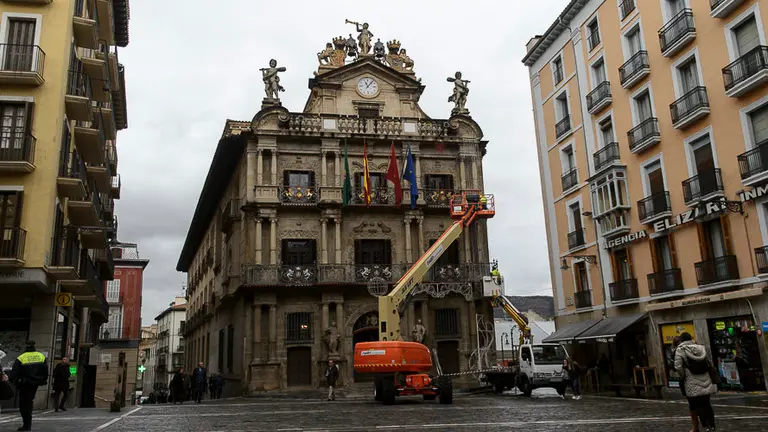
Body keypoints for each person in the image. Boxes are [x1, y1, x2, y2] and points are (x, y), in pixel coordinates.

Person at [675, 332, 717, 432]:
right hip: (705, 378)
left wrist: (683, 376)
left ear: (681, 340)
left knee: (697, 405)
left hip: (691, 380)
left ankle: (705, 426)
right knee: (706, 403)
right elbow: (710, 363)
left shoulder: (680, 350)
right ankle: (712, 425)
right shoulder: (702, 348)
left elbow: (678, 367)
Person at [9, 340, 48, 431]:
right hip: (35, 383)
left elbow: (14, 372)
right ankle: (27, 423)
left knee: (24, 404)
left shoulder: (21, 357)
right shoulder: (41, 356)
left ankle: (26, 424)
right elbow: (45, 370)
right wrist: (42, 380)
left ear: (26, 347)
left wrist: (13, 380)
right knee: (29, 400)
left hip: (24, 383)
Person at [671, 336, 699, 432]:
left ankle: (695, 427)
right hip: (701, 378)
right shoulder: (698, 347)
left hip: (688, 380)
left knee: (692, 403)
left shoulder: (678, 351)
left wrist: (683, 376)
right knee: (703, 402)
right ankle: (709, 425)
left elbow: (677, 367)